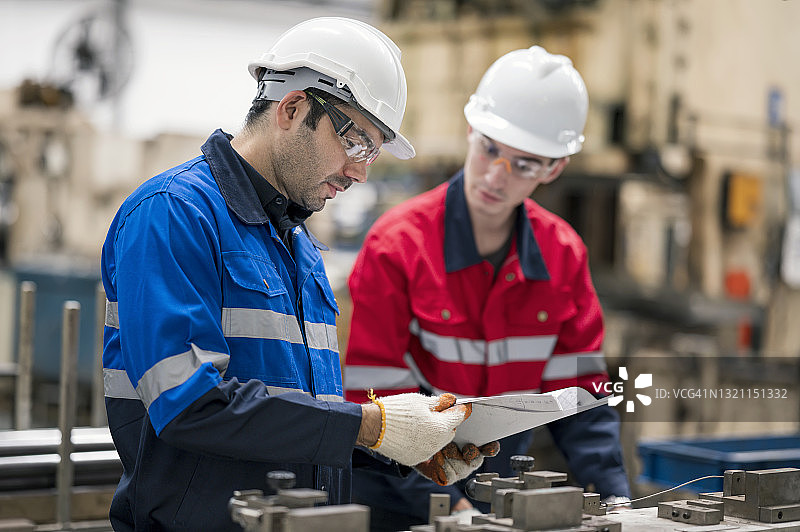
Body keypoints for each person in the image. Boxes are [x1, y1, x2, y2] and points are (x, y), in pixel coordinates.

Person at [100, 17, 492, 531]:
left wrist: (401, 451)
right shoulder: (173, 215)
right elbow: (190, 407)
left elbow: (298, 428)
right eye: (357, 144)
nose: (361, 171)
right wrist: (371, 425)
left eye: (371, 152)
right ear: (293, 108)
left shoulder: (297, 244)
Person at [344, 45, 631, 529]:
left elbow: (583, 399)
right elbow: (374, 401)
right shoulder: (398, 246)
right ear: (471, 133)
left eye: (523, 164)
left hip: (500, 494)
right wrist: (450, 506)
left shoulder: (563, 255)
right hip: (399, 497)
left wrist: (618, 504)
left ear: (553, 169)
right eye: (490, 149)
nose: (496, 176)